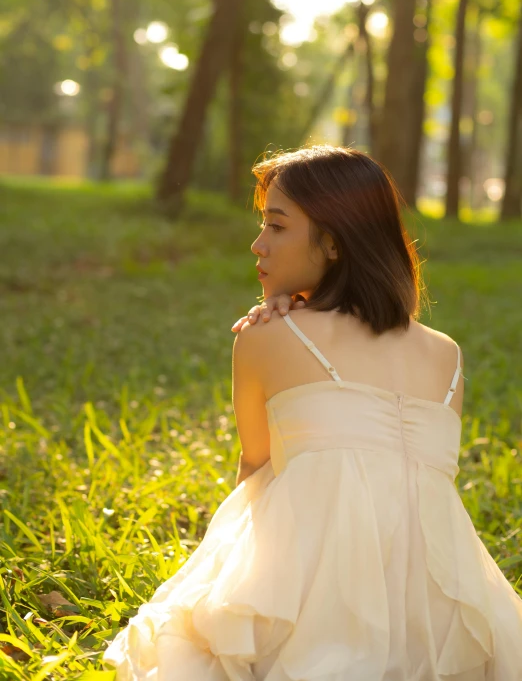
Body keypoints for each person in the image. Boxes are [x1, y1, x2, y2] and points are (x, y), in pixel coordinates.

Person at [103, 145, 522, 680]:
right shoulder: (447, 355)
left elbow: (254, 477)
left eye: (277, 227)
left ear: (332, 242)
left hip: (313, 603)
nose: (258, 245)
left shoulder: (265, 337)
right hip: (441, 618)